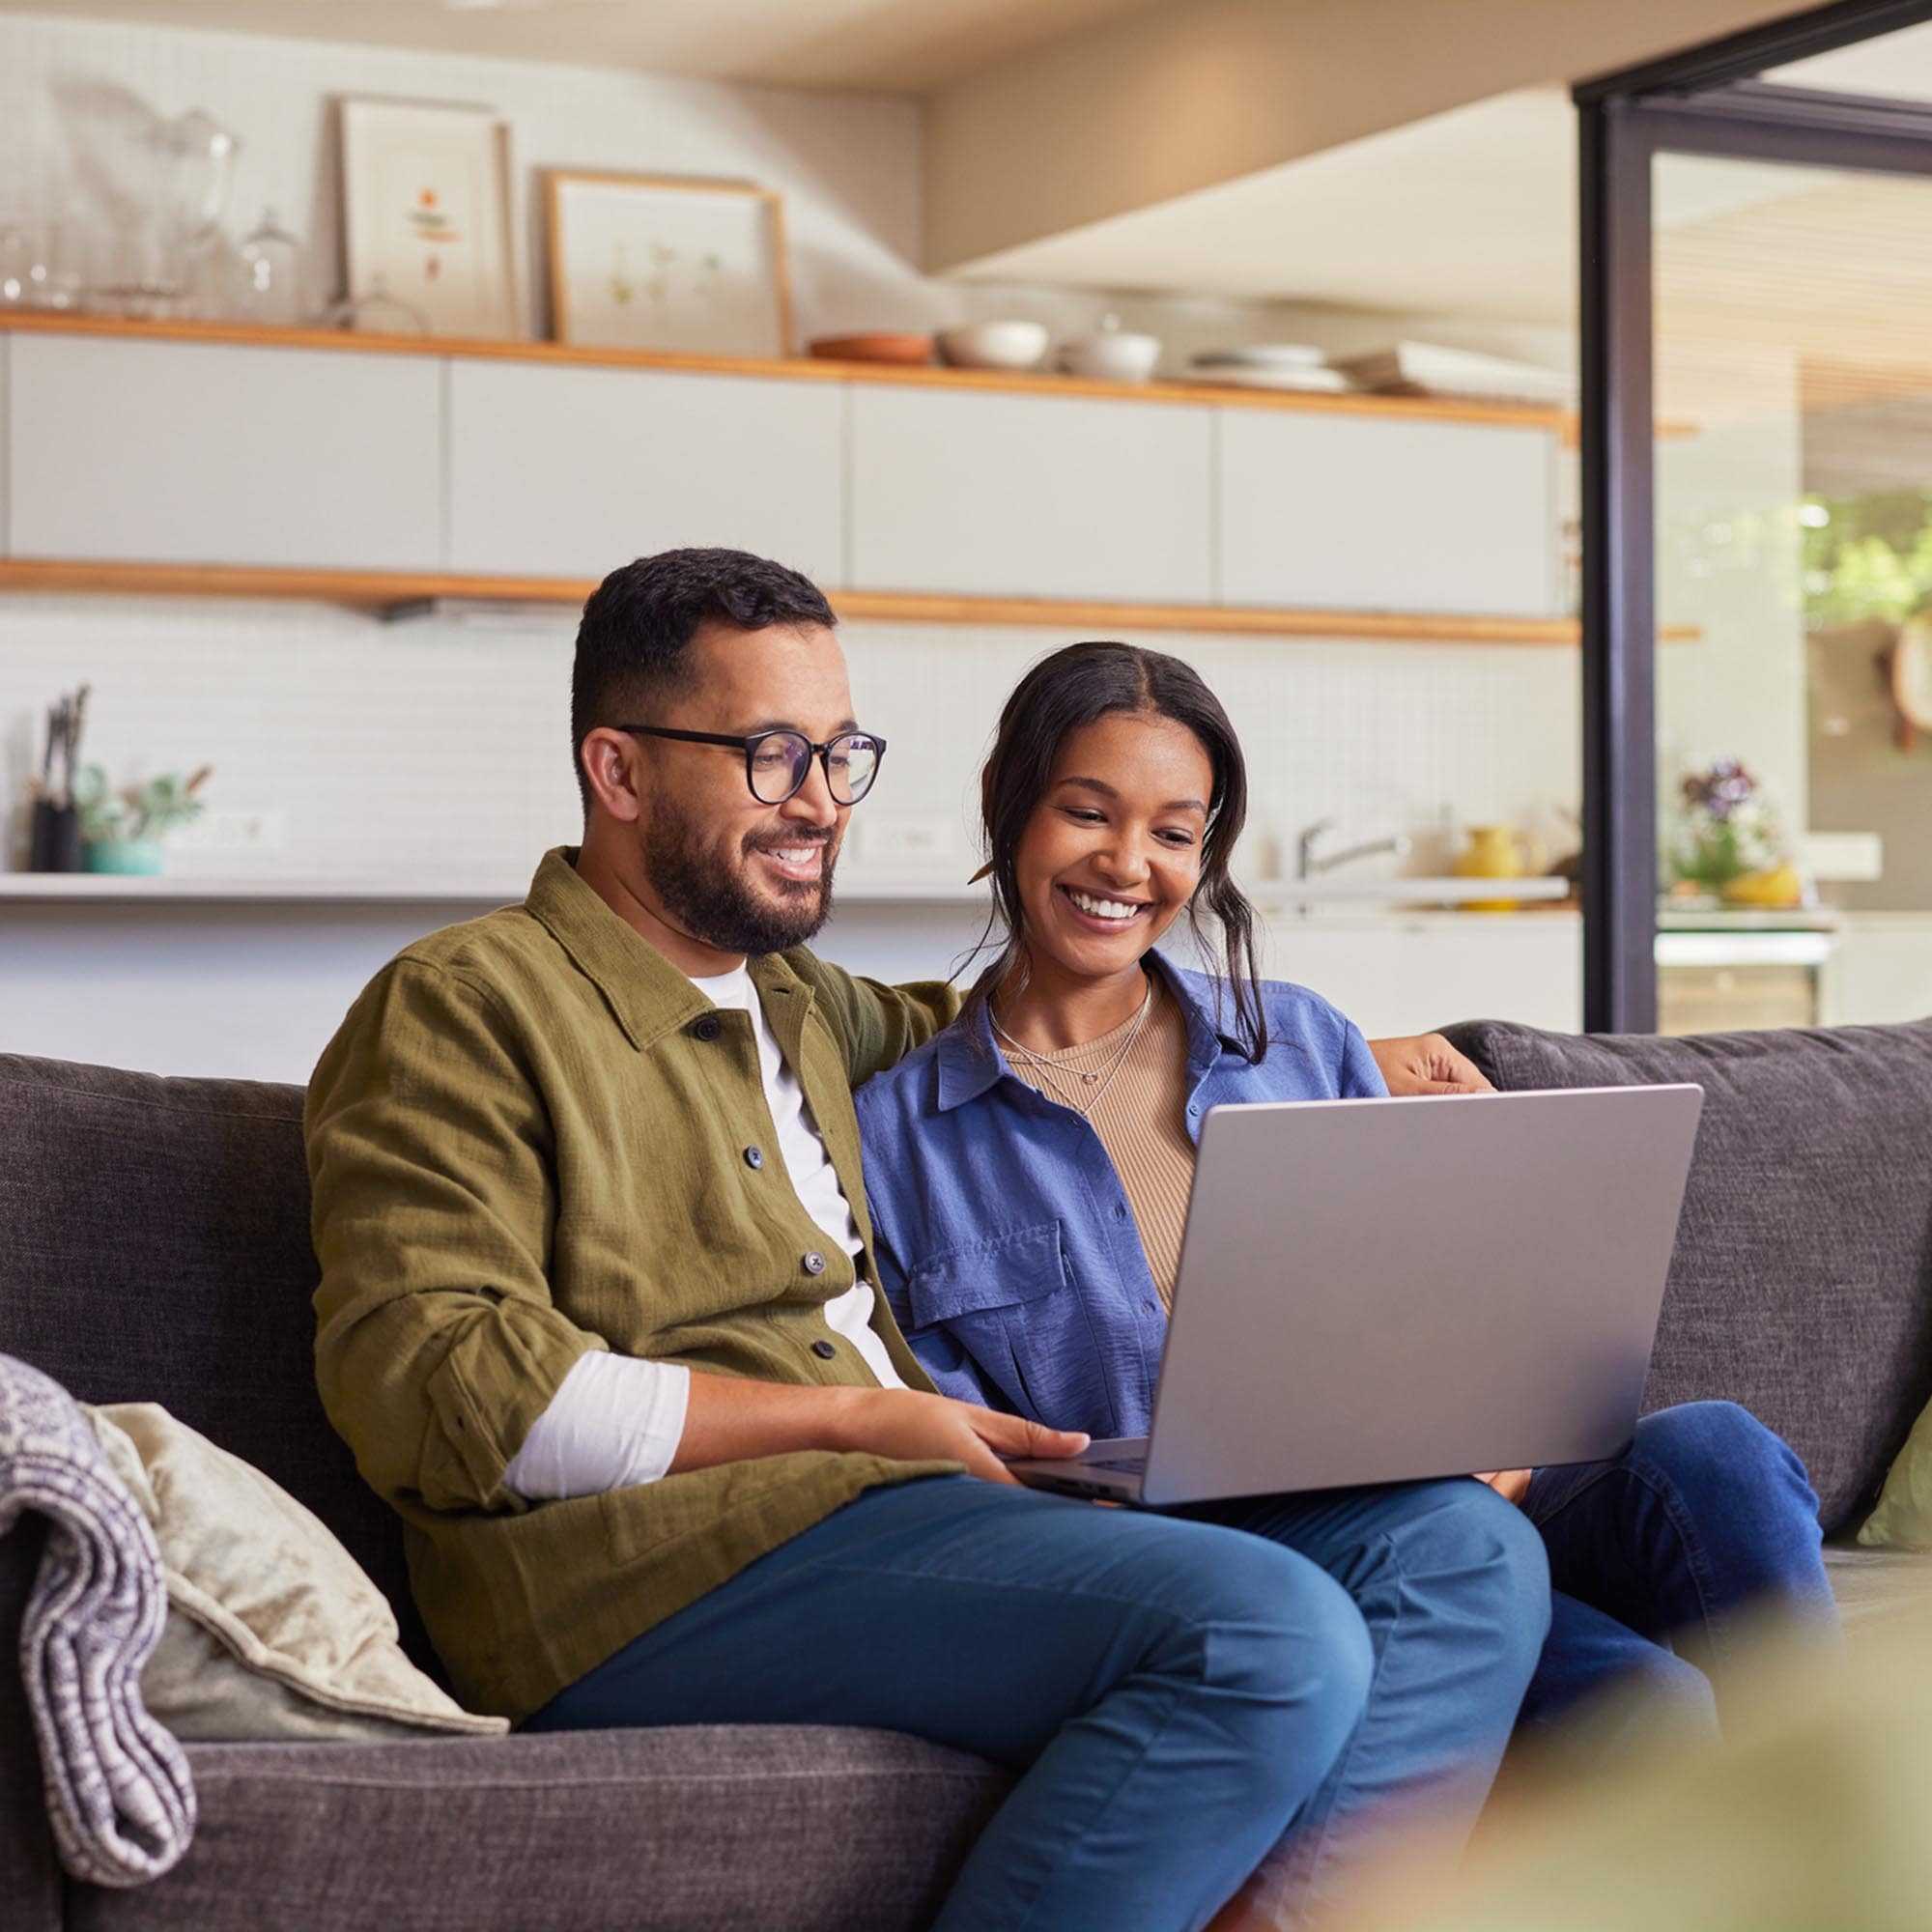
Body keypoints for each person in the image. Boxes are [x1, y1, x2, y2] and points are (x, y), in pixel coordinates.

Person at [304, 549, 1545, 1932]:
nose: (821, 803)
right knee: (1262, 1629)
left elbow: (1030, 1031)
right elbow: (437, 1392)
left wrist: (1334, 1062)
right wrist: (850, 1420)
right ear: (620, 769)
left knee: (1461, 1551)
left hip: (907, 1507)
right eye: (772, 756)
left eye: (842, 755)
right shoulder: (465, 1004)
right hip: (649, 1571)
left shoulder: (797, 1007)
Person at [852, 639, 1842, 1923]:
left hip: (1458, 1487)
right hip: (1249, 1558)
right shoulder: (898, 1134)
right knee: (1645, 1711)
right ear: (1011, 802)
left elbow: (1442, 1296)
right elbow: (973, 1461)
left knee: (1718, 1452)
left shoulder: (1301, 1039)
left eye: (1172, 831)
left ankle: (1854, 1837)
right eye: (1087, 812)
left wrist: (1495, 1411)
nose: (1126, 865)